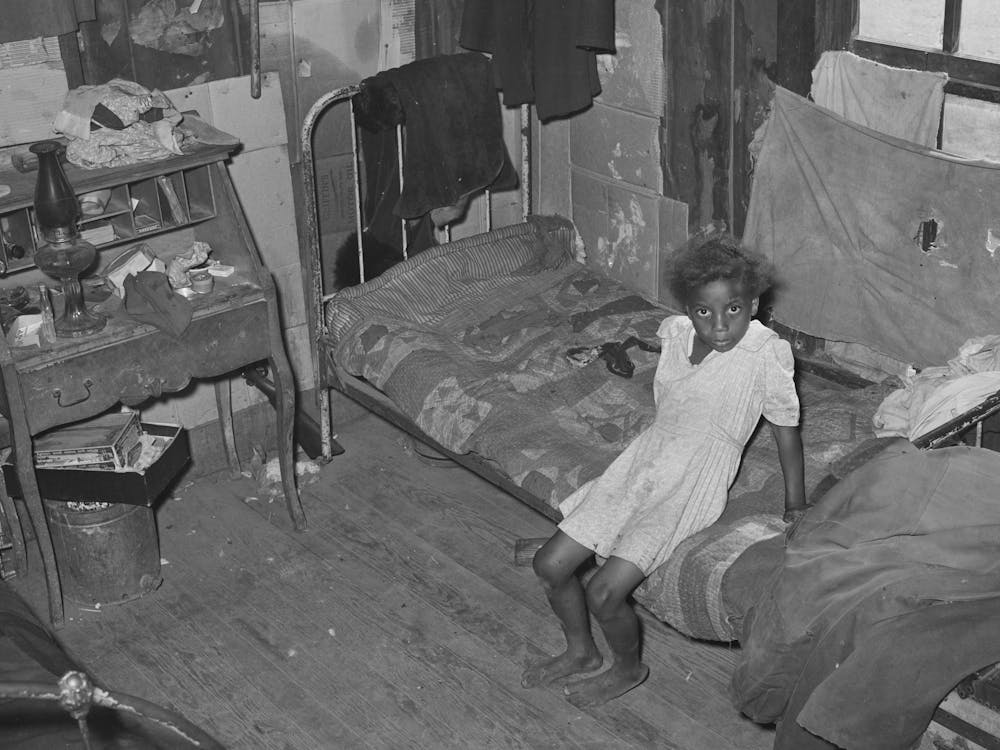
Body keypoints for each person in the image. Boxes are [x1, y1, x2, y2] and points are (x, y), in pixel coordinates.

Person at [521, 237, 806, 708]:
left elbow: (786, 430)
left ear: (753, 304)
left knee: (604, 593)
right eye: (704, 312)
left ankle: (628, 668)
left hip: (691, 480)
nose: (719, 326)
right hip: (645, 461)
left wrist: (795, 504)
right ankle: (581, 651)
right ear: (687, 308)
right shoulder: (674, 334)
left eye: (734, 309)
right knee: (549, 566)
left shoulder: (764, 354)